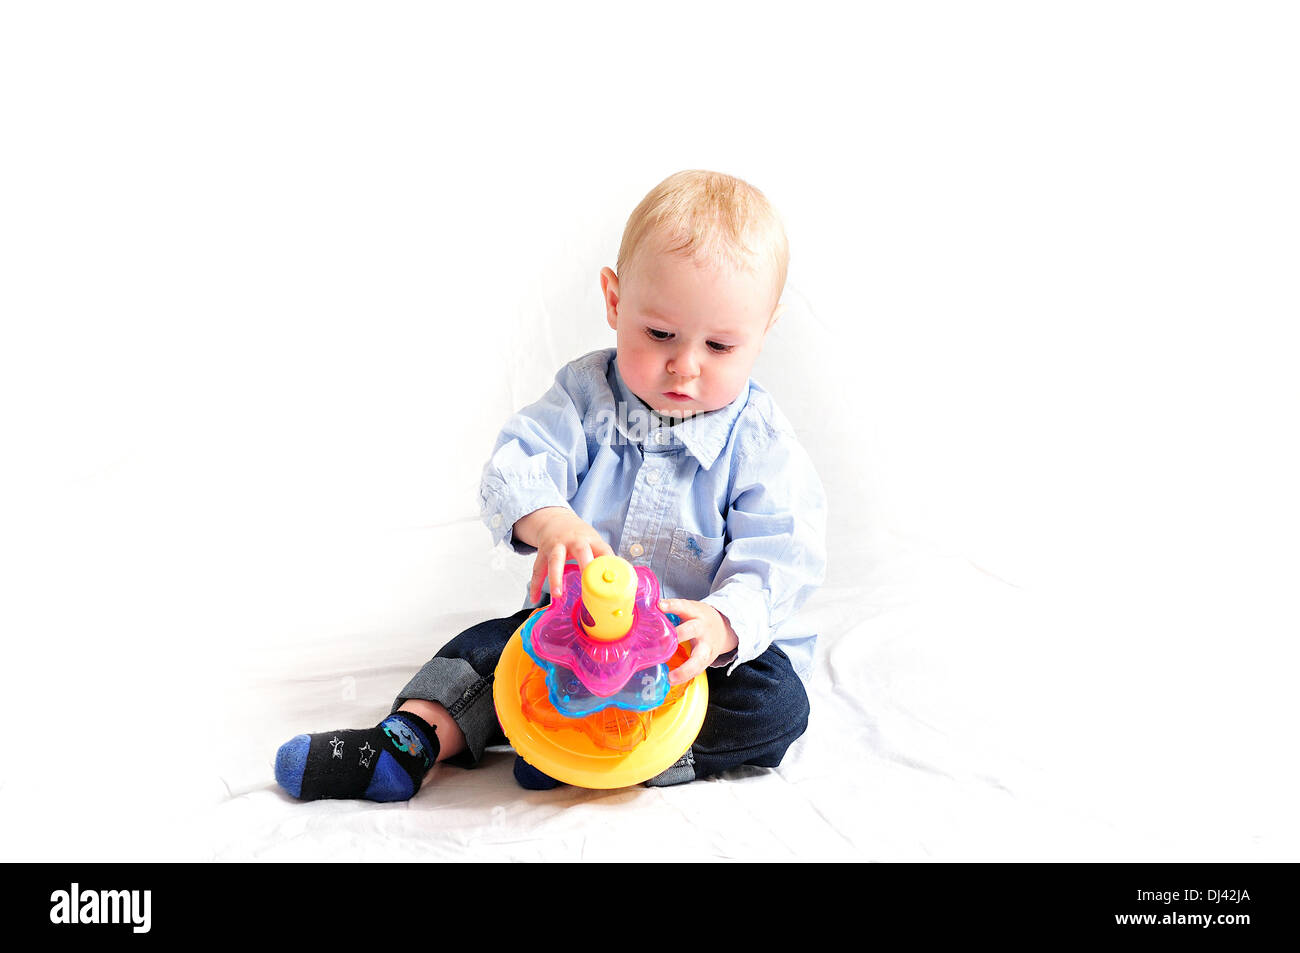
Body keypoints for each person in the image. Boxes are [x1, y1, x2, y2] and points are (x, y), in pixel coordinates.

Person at [274, 170, 828, 800]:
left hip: (689, 660)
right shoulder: (587, 396)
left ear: (764, 331)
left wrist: (726, 623)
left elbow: (784, 554)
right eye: (660, 334)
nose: (685, 365)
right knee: (491, 650)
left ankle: (613, 751)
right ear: (615, 301)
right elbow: (518, 463)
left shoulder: (759, 443)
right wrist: (550, 522)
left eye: (722, 345)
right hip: (574, 638)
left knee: (778, 704)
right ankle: (404, 743)